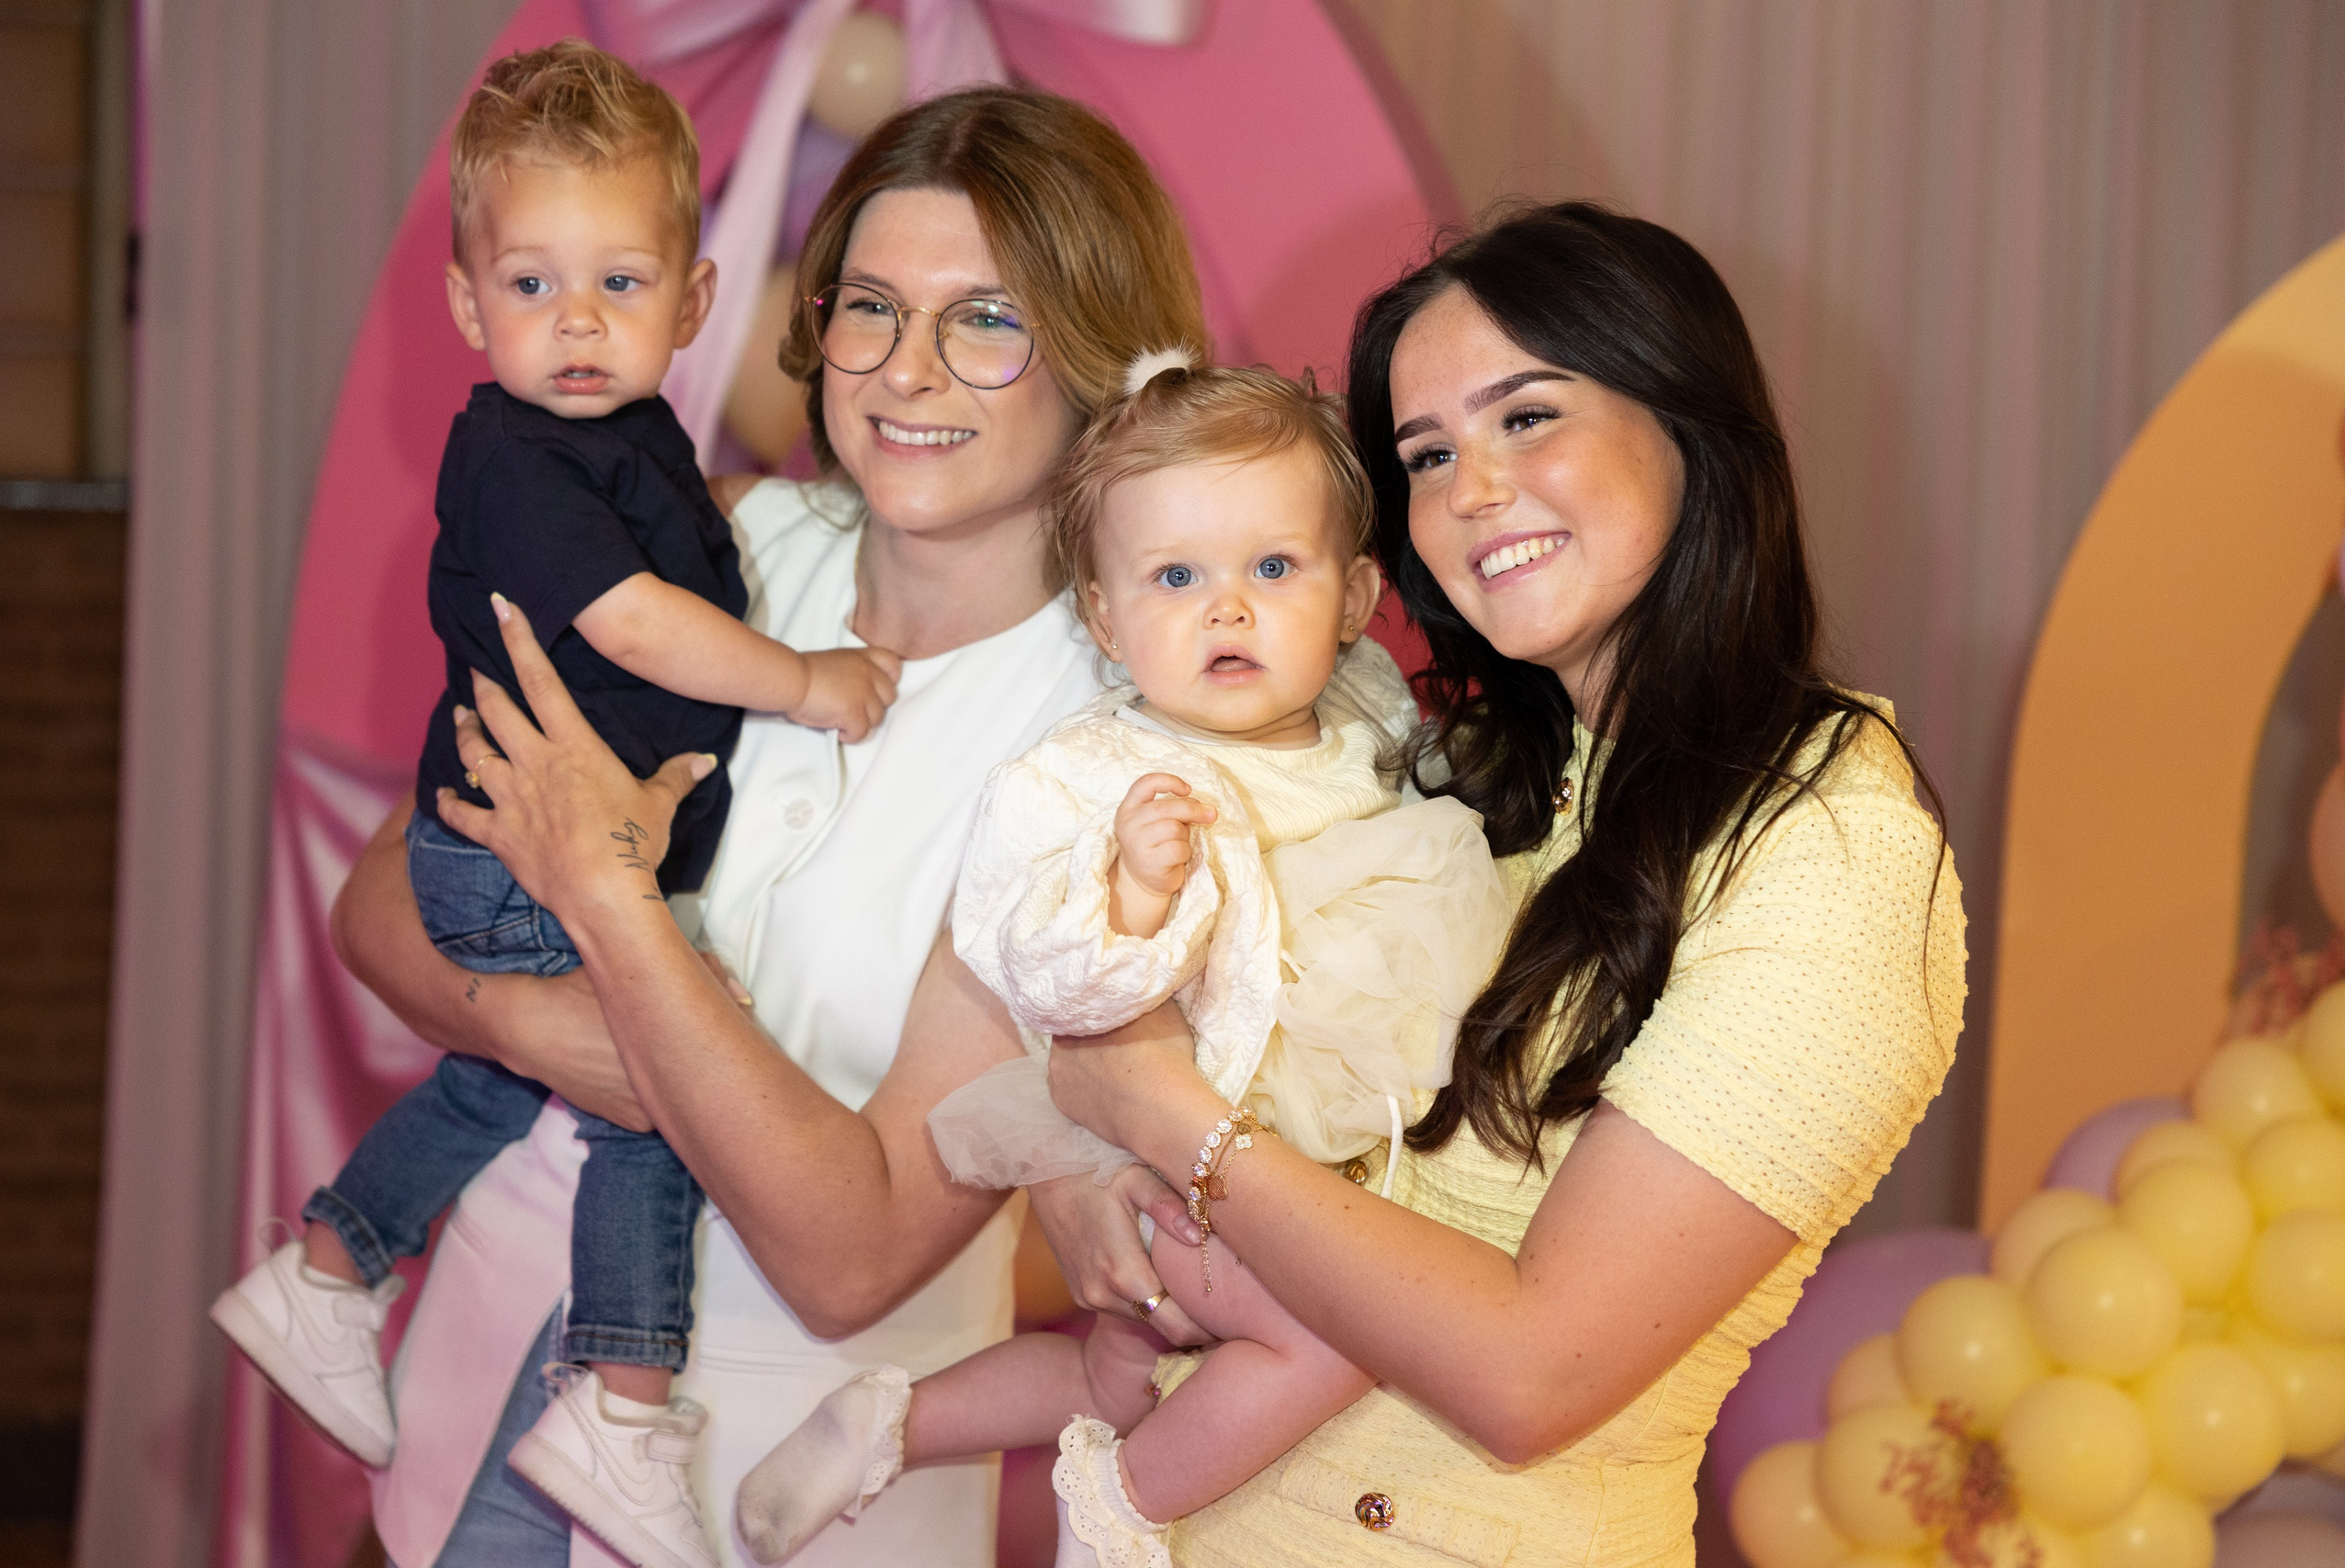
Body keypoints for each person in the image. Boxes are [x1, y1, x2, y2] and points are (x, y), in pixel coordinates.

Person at [329, 87, 1217, 1568]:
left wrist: (608, 906)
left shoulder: (1113, 755)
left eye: (987, 320)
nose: (908, 370)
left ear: (1100, 358)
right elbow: (379, 906)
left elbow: (848, 1255)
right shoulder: (717, 546)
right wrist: (544, 1030)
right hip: (469, 1407)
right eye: (870, 308)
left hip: (780, 1494)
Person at [1036, 202, 1969, 1565]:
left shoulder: (1830, 843)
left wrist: (1156, 1108)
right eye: (1427, 454)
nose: (1471, 490)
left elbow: (1535, 1375)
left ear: (1690, 422)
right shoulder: (1472, 772)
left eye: (1527, 418)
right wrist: (1085, 1181)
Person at [215, 41, 901, 1568]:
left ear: (696, 301)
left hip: (518, 849)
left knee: (495, 1086)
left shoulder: (627, 440)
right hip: (514, 858)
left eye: (619, 284)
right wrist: (807, 681)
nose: (577, 322)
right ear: (469, 308)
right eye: (531, 286)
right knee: (660, 1102)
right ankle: (621, 1400)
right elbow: (640, 628)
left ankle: (328, 1270)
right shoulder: (521, 460)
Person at [729, 357, 1512, 1567]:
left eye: (1273, 569)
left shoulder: (1365, 716)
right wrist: (1136, 900)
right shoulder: (1088, 778)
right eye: (1176, 577)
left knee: (1121, 1372)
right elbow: (1034, 972)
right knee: (1343, 1336)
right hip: (1170, 1157)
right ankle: (1122, 1510)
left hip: (1295, 1152)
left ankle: (887, 1422)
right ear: (1104, 618)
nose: (1227, 610)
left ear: (1356, 597)